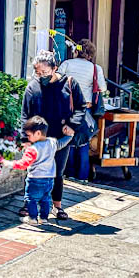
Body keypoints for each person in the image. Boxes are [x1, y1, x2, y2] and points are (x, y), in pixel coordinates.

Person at [20, 50, 85, 220]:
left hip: (59, 137)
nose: (41, 76)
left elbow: (81, 107)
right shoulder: (32, 87)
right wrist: (24, 139)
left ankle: (57, 206)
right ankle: (29, 204)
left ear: (55, 68)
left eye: (45, 73)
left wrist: (72, 126)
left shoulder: (69, 84)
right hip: (37, 139)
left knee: (57, 171)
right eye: (38, 73)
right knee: (33, 170)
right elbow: (25, 115)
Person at [59, 40, 108, 181]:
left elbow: (56, 81)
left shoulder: (67, 64)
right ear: (91, 54)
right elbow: (102, 88)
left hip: (66, 108)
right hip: (83, 110)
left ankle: (67, 175)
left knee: (68, 142)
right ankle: (82, 178)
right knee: (83, 143)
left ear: (76, 51)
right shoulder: (95, 68)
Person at [10, 116, 72, 226]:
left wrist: (10, 163)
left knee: (31, 199)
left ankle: (32, 218)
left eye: (29, 135)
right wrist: (70, 135)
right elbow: (62, 143)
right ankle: (44, 218)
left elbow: (24, 163)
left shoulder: (33, 148)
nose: (28, 138)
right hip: (49, 179)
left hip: (35, 179)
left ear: (38, 133)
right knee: (46, 199)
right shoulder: (52, 143)